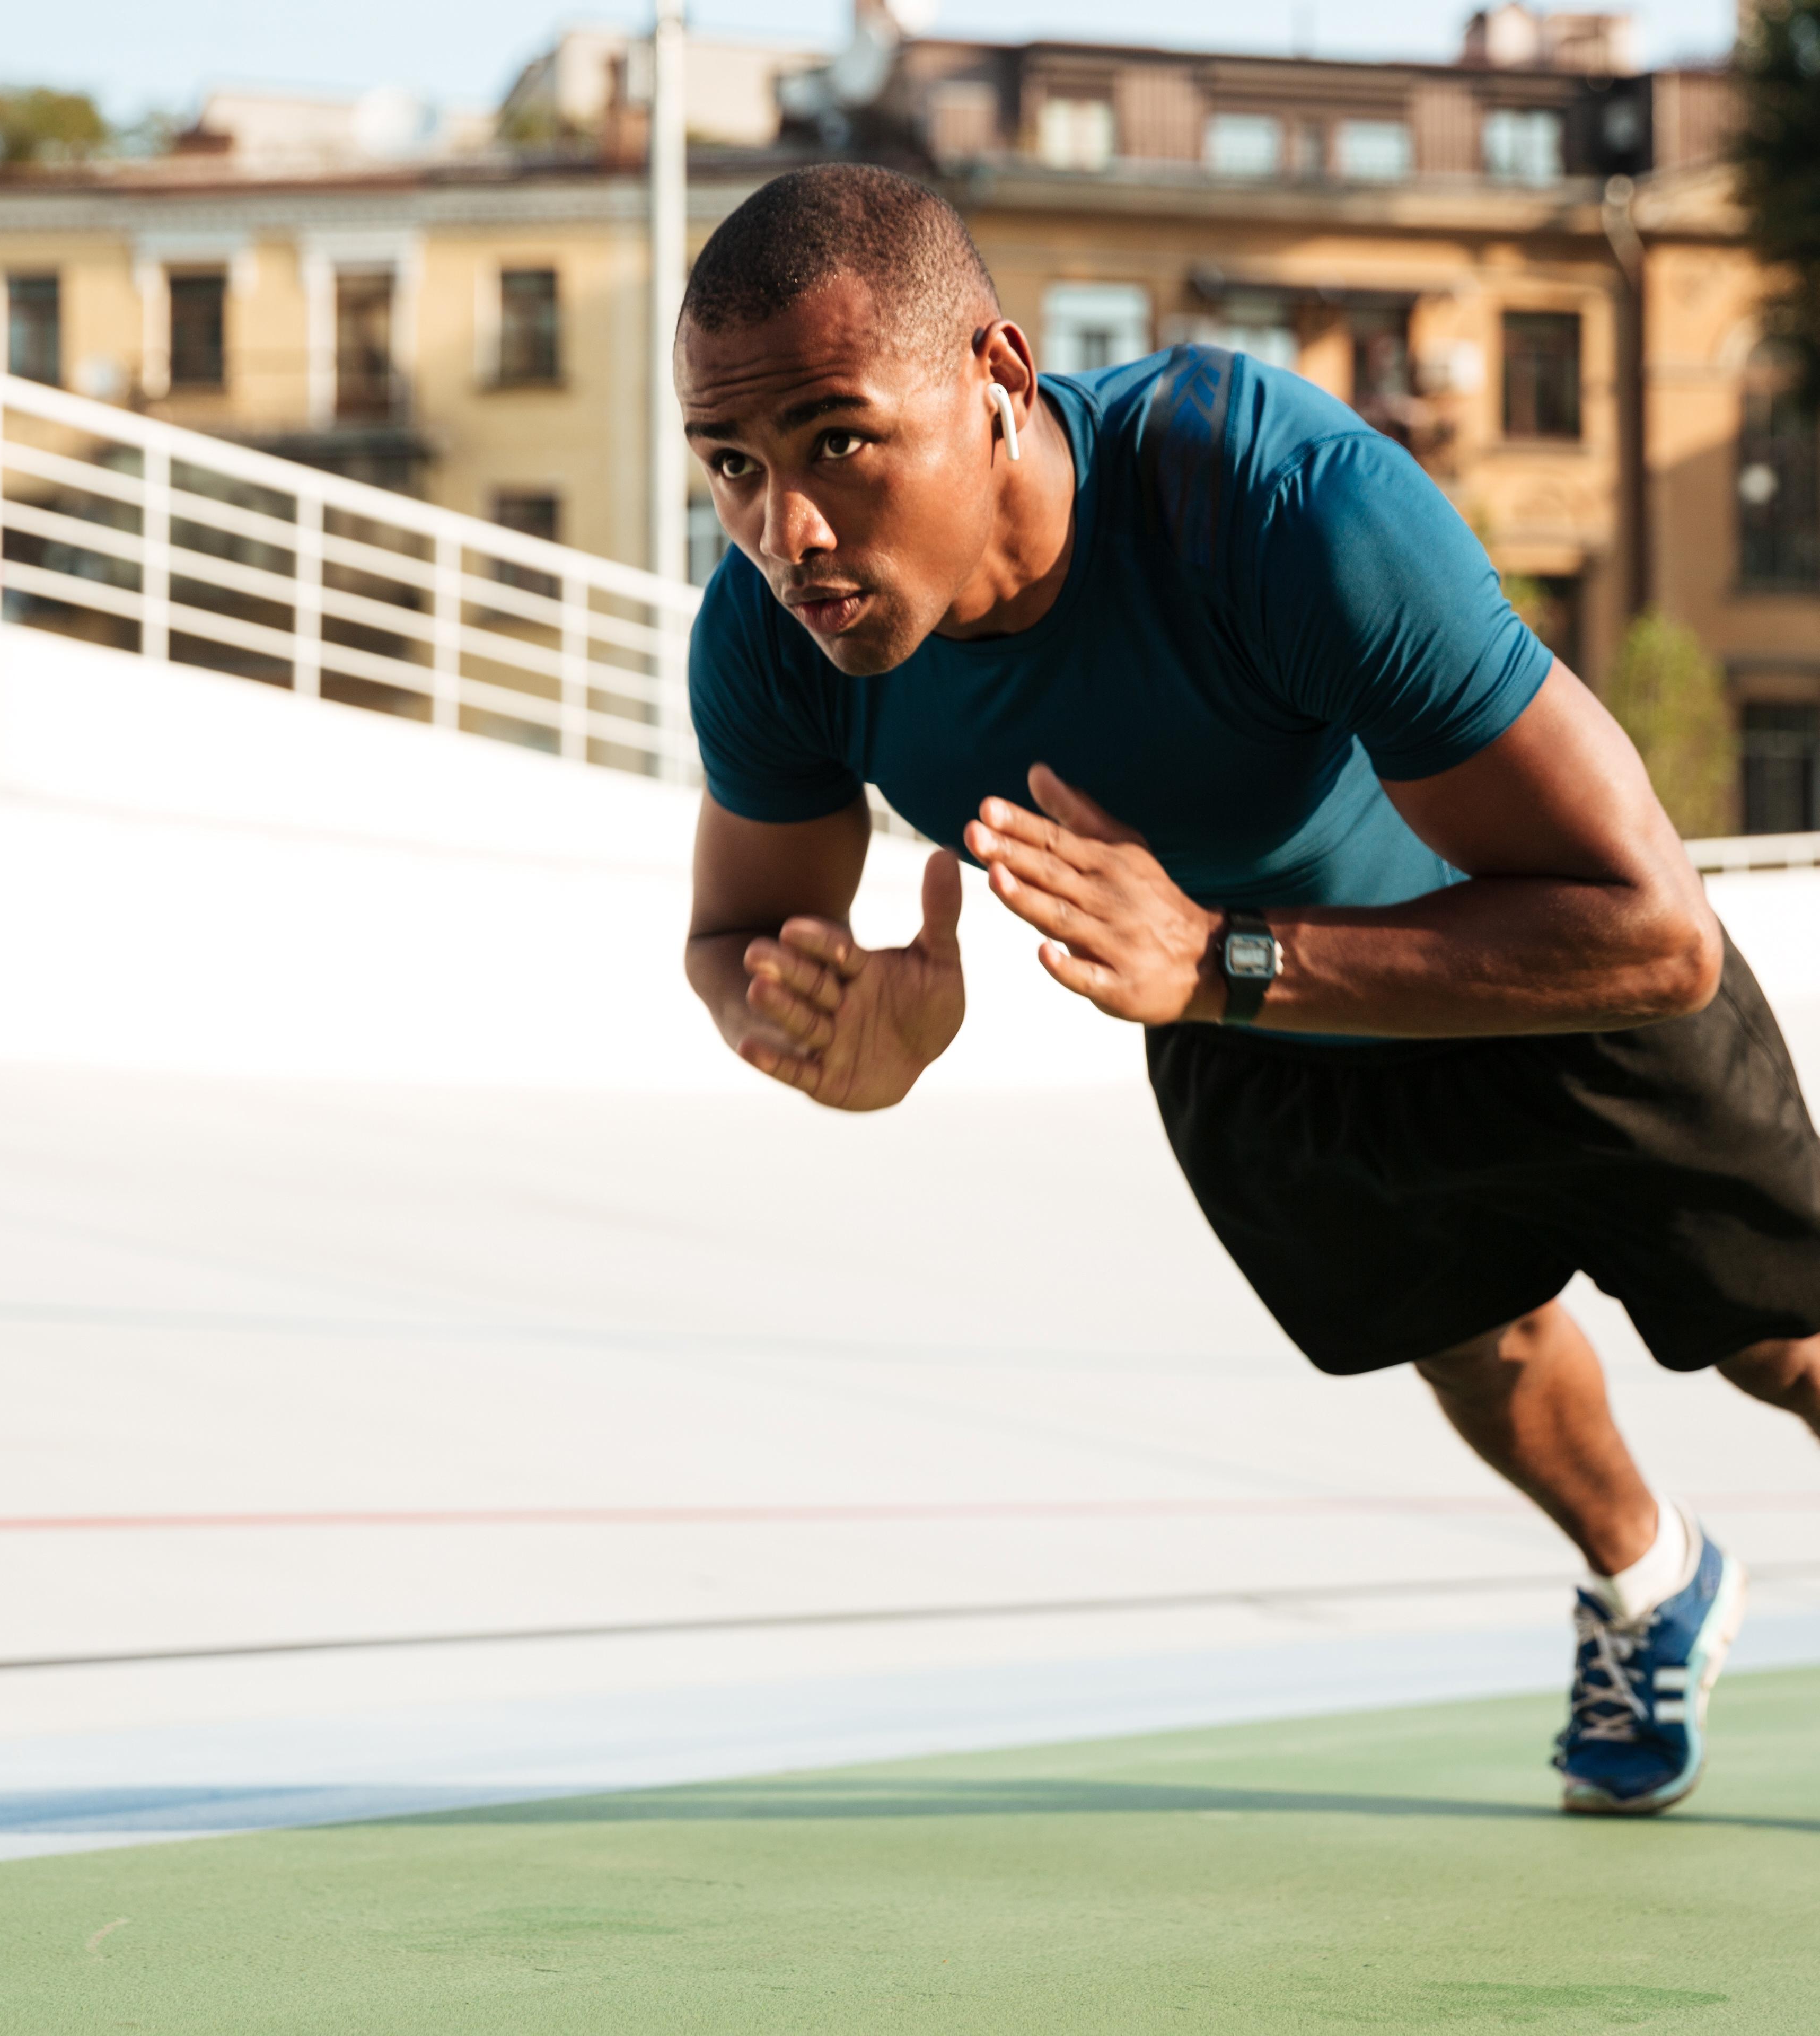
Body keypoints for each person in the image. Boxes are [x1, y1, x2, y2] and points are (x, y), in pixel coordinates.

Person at [677, 163, 1820, 1815]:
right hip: (1232, 1013)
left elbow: (1660, 933)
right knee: (1474, 1342)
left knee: (1786, 1346)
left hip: (1509, 950)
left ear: (997, 382)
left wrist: (1222, 955)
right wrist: (826, 1038)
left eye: (836, 441)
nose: (785, 529)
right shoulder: (781, 635)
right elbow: (739, 934)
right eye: (733, 467)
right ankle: (1651, 1580)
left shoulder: (1273, 498)